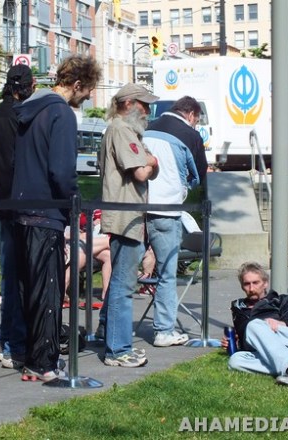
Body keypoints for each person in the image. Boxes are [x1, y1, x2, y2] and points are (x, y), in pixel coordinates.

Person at [11, 55, 102, 381]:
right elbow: (62, 171)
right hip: (47, 211)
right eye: (88, 91)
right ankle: (44, 363)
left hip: (22, 207)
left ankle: (31, 358)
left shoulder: (29, 110)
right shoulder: (61, 113)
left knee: (29, 289)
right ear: (77, 84)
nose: (88, 97)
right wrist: (72, 200)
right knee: (49, 290)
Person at [97, 83, 160, 367]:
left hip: (127, 215)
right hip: (125, 216)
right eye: (144, 104)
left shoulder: (127, 130)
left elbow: (150, 169)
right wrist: (152, 161)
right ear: (128, 103)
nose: (148, 110)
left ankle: (107, 333)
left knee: (119, 283)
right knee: (124, 285)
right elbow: (142, 173)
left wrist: (151, 163)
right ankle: (118, 349)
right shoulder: (121, 130)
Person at [0, 64, 35, 370]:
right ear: (28, 86)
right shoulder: (23, 115)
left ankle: (6, 339)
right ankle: (14, 342)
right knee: (21, 276)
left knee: (9, 273)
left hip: (1, 199)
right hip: (25, 200)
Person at [142, 96, 205, 347]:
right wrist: (184, 185)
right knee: (166, 273)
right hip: (167, 210)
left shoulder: (146, 128)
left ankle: (108, 328)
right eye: (197, 120)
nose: (195, 124)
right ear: (191, 115)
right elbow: (198, 175)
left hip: (136, 207)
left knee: (121, 273)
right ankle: (164, 330)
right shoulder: (190, 136)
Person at [223, 262, 288, 387]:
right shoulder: (239, 308)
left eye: (255, 283)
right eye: (247, 284)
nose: (251, 289)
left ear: (265, 283)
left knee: (254, 326)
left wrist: (280, 324)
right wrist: (236, 342)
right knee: (235, 360)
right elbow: (247, 340)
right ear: (242, 286)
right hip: (268, 352)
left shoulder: (282, 300)